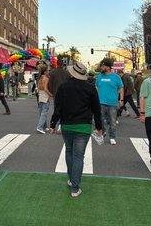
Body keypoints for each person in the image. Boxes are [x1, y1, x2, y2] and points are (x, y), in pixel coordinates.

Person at [49, 62, 103, 198]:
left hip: (66, 125)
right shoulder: (91, 88)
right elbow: (97, 110)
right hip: (83, 127)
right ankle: (75, 187)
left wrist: (53, 123)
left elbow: (58, 108)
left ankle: (71, 179)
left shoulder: (63, 87)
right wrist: (99, 127)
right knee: (78, 156)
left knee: (69, 152)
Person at [95, 58, 124, 145]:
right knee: (100, 120)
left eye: (103, 66)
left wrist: (121, 99)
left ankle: (112, 137)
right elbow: (96, 87)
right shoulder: (99, 76)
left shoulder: (116, 77)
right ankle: (103, 132)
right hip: (101, 102)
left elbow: (121, 88)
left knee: (112, 122)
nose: (101, 67)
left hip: (112, 103)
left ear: (108, 67)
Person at [36, 68, 51, 134]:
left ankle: (45, 127)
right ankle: (40, 127)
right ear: (45, 72)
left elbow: (39, 88)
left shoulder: (40, 78)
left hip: (40, 95)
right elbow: (45, 88)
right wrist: (50, 94)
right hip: (45, 96)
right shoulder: (46, 78)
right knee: (44, 112)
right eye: (47, 71)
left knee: (41, 112)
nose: (48, 72)